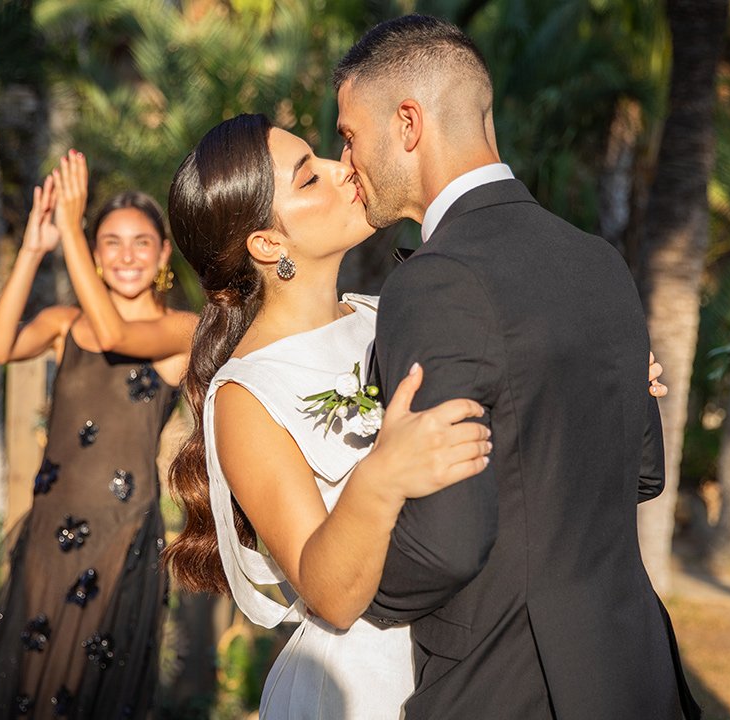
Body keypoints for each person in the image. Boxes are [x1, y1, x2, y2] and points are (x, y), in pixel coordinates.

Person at [161, 115, 668, 719]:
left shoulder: (390, 312)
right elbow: (330, 595)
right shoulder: (247, 395)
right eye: (308, 178)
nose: (340, 167)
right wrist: (383, 476)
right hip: (365, 686)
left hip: (482, 660)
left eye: (323, 155)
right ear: (268, 244)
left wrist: (592, 382)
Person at [333, 15, 701, 719]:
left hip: (511, 686)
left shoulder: (435, 280)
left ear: (408, 123)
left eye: (350, 135)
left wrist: (339, 585)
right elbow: (642, 470)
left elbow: (448, 542)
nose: (347, 161)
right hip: (633, 674)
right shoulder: (598, 260)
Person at [0, 151, 196, 719]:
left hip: (119, 535)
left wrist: (73, 226)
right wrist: (34, 248)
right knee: (31, 681)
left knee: (85, 685)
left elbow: (117, 333)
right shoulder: (61, 324)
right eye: (110, 242)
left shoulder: (180, 330)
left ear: (163, 253)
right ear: (93, 256)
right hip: (48, 527)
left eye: (141, 242)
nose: (126, 255)